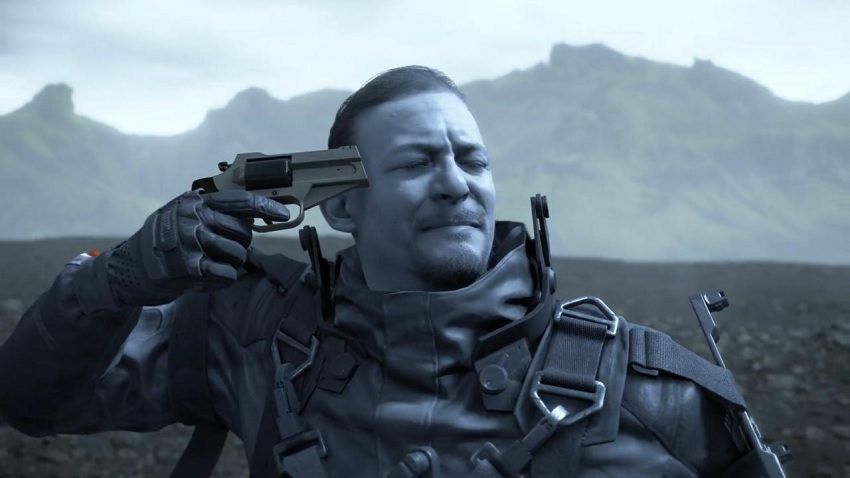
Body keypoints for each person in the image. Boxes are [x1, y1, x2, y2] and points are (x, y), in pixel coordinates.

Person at [0, 66, 751, 477]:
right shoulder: (253, 339)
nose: (456, 184)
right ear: (342, 206)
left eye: (473, 160)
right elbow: (31, 403)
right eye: (418, 163)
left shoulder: (647, 388)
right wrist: (115, 281)